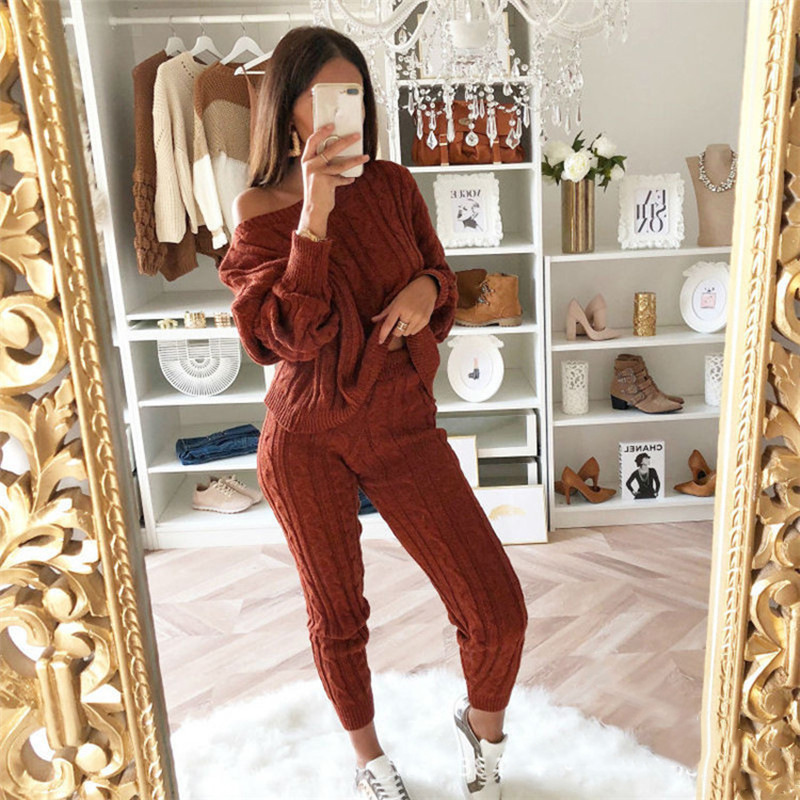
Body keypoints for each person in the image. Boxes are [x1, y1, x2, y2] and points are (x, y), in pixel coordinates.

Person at [218, 26, 528, 800]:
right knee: (338, 615)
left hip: (399, 423)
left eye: (352, 93)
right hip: (305, 439)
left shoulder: (392, 185)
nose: (341, 109)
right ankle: (370, 761)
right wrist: (314, 216)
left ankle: (483, 738)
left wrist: (427, 289)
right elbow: (285, 336)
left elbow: (439, 277)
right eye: (323, 95)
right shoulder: (256, 207)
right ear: (287, 108)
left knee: (496, 609)